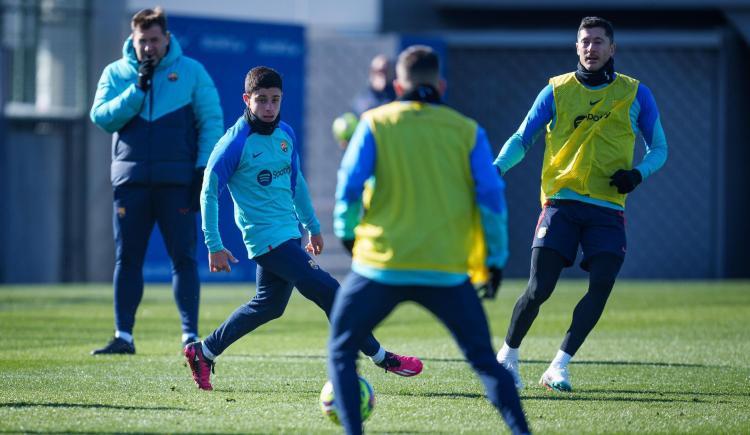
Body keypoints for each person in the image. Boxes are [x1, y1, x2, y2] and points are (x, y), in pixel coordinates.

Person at [328, 45, 530, 435]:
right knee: (486, 363)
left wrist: (347, 234)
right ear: (440, 84)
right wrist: (496, 259)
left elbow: (349, 188)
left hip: (381, 266)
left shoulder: (374, 122)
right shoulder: (467, 130)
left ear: (398, 84)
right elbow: (491, 198)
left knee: (341, 351)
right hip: (445, 269)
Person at [183, 66, 423, 391]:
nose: (269, 107)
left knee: (268, 305)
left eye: (275, 100)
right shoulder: (234, 142)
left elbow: (297, 185)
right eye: (262, 100)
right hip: (266, 240)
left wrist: (312, 226)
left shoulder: (286, 135)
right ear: (246, 100)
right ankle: (381, 357)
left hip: (290, 235)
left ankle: (204, 351)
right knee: (330, 291)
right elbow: (209, 189)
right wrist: (213, 243)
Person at [494, 17, 668, 392]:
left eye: (599, 41)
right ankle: (507, 356)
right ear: (576, 48)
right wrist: (496, 170)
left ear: (612, 48)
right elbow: (523, 138)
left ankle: (559, 366)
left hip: (608, 208)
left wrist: (637, 174)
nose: (591, 48)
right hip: (560, 203)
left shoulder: (636, 94)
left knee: (602, 283)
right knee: (540, 288)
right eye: (585, 41)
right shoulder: (555, 90)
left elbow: (660, 149)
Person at [89, 7, 223, 354]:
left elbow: (211, 122)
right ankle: (124, 337)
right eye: (142, 41)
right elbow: (101, 117)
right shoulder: (116, 73)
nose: (148, 47)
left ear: (167, 39)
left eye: (154, 40)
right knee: (127, 259)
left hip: (177, 182)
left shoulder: (191, 72)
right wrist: (137, 89)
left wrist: (201, 170)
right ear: (132, 40)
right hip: (130, 183)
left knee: (183, 258)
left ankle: (189, 336)